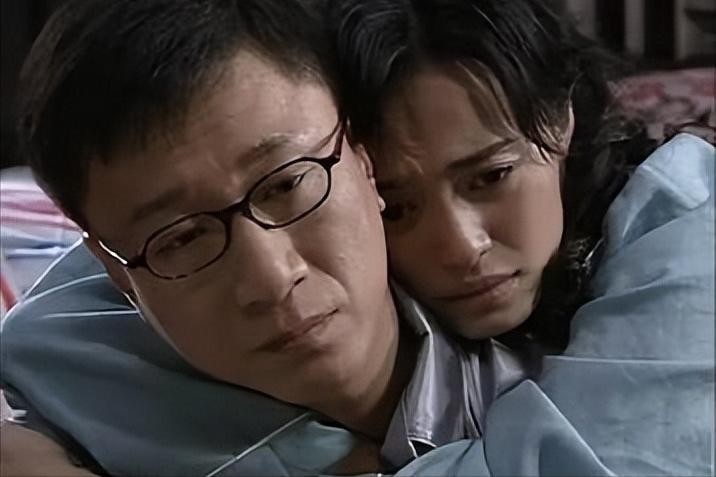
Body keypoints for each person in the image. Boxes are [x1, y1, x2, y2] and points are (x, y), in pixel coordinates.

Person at [0, 0, 532, 475]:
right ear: (117, 271)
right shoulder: (67, 389)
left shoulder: (550, 372)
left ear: (363, 156)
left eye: (287, 185)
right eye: (183, 238)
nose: (272, 279)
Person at [332, 0, 715, 474]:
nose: (462, 247)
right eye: (397, 209)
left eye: (491, 177)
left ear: (559, 118)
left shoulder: (687, 223)